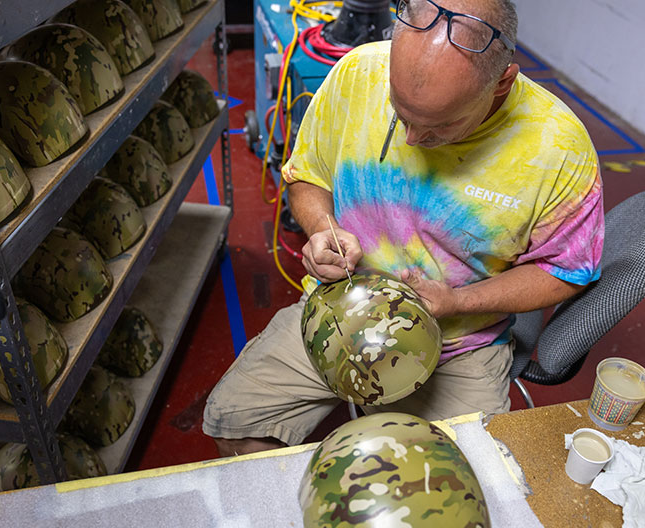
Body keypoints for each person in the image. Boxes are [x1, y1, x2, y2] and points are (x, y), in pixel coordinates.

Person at [203, 0, 604, 457]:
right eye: (400, 111)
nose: (412, 139)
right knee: (234, 423)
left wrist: (457, 302)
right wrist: (323, 229)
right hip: (338, 310)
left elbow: (565, 270)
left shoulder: (557, 148)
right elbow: (308, 175)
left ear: (502, 84)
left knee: (466, 475)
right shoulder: (358, 73)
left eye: (441, 125)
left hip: (458, 344)